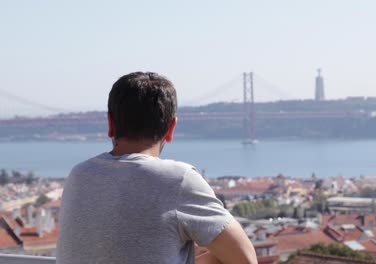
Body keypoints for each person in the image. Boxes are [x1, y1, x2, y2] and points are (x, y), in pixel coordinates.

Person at [57, 72, 256, 264]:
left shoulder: (79, 175)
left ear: (110, 124)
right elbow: (246, 260)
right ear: (171, 130)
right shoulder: (178, 180)